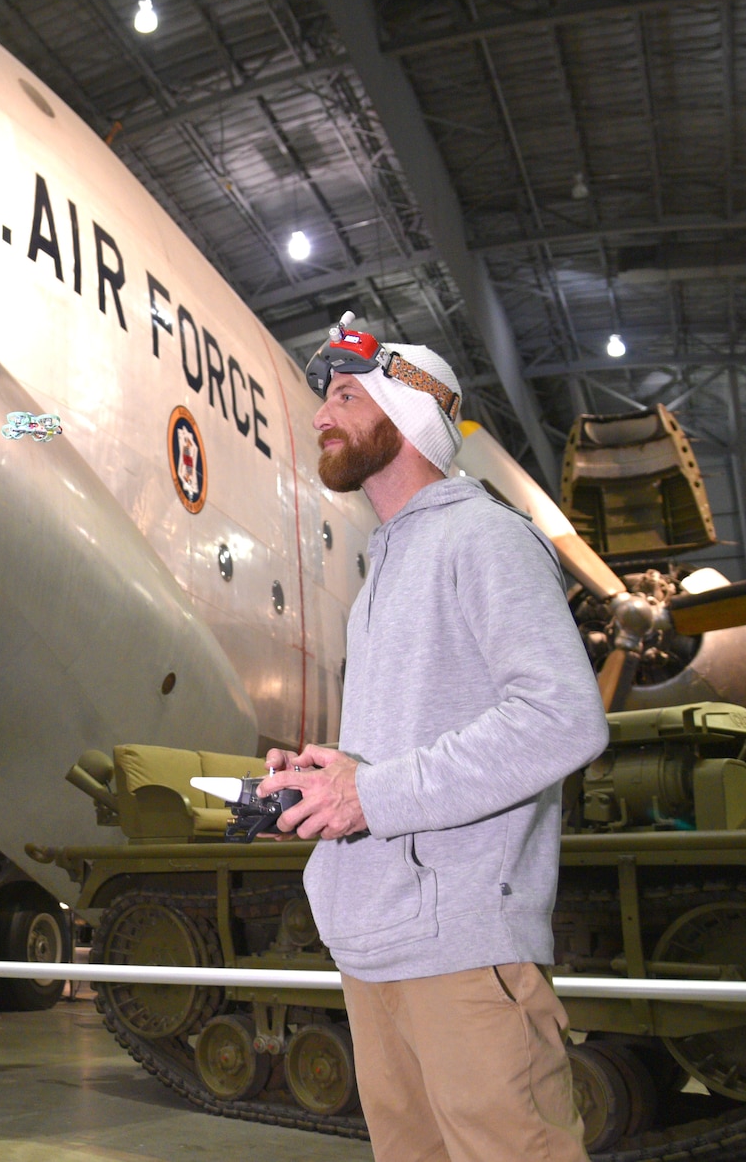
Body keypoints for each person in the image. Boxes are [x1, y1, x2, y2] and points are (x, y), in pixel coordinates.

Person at [258, 314, 609, 1162]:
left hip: (462, 955)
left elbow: (565, 716)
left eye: (345, 395)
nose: (320, 416)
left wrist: (366, 791)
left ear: (407, 413)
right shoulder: (383, 568)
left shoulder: (483, 536)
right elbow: (392, 759)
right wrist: (325, 777)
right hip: (374, 946)